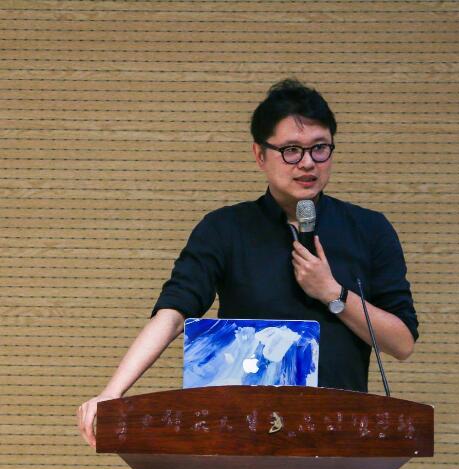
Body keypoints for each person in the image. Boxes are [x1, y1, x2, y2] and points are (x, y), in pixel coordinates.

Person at [77, 78, 419, 448]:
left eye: (320, 148)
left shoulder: (369, 229)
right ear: (259, 154)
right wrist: (112, 392)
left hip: (338, 439)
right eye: (291, 150)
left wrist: (333, 294)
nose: (308, 163)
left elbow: (402, 343)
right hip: (241, 437)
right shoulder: (225, 229)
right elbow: (173, 314)